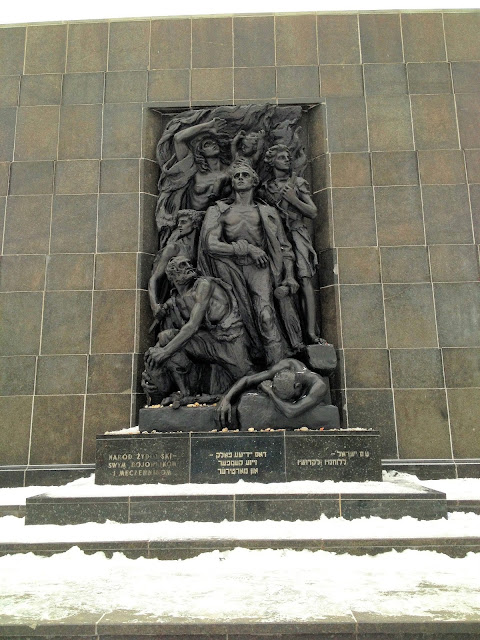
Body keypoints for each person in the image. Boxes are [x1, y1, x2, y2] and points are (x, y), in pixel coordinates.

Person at [199, 160, 303, 366]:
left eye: (244, 175)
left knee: (265, 316)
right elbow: (210, 244)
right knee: (234, 322)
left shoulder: (268, 213)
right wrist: (246, 248)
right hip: (228, 269)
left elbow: (284, 248)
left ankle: (278, 370)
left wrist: (289, 276)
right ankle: (243, 369)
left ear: (254, 181)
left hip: (260, 269)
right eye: (236, 175)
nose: (239, 178)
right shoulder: (218, 210)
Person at [143, 256, 254, 401]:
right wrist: (151, 372)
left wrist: (165, 352)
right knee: (165, 337)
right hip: (206, 341)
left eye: (189, 263)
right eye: (183, 265)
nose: (189, 266)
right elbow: (174, 335)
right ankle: (185, 393)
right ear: (172, 275)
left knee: (247, 377)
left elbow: (192, 326)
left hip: (229, 341)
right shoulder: (175, 301)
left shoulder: (204, 285)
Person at [263, 144, 321, 344]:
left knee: (304, 278)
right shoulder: (265, 187)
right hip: (275, 237)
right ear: (272, 162)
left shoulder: (298, 183)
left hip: (297, 233)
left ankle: (311, 333)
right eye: (281, 157)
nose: (286, 159)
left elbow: (312, 212)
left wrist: (294, 200)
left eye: (288, 157)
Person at [216, 358, 327, 428]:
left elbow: (291, 411)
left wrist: (270, 392)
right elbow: (248, 380)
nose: (286, 401)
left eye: (288, 398)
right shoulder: (288, 365)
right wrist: (227, 398)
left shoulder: (319, 387)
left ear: (297, 386)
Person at [148, 209, 203, 321]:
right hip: (180, 298)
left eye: (183, 222)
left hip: (199, 293)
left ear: (195, 223)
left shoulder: (202, 245)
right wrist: (155, 306)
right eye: (178, 223)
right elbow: (154, 278)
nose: (179, 226)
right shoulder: (174, 248)